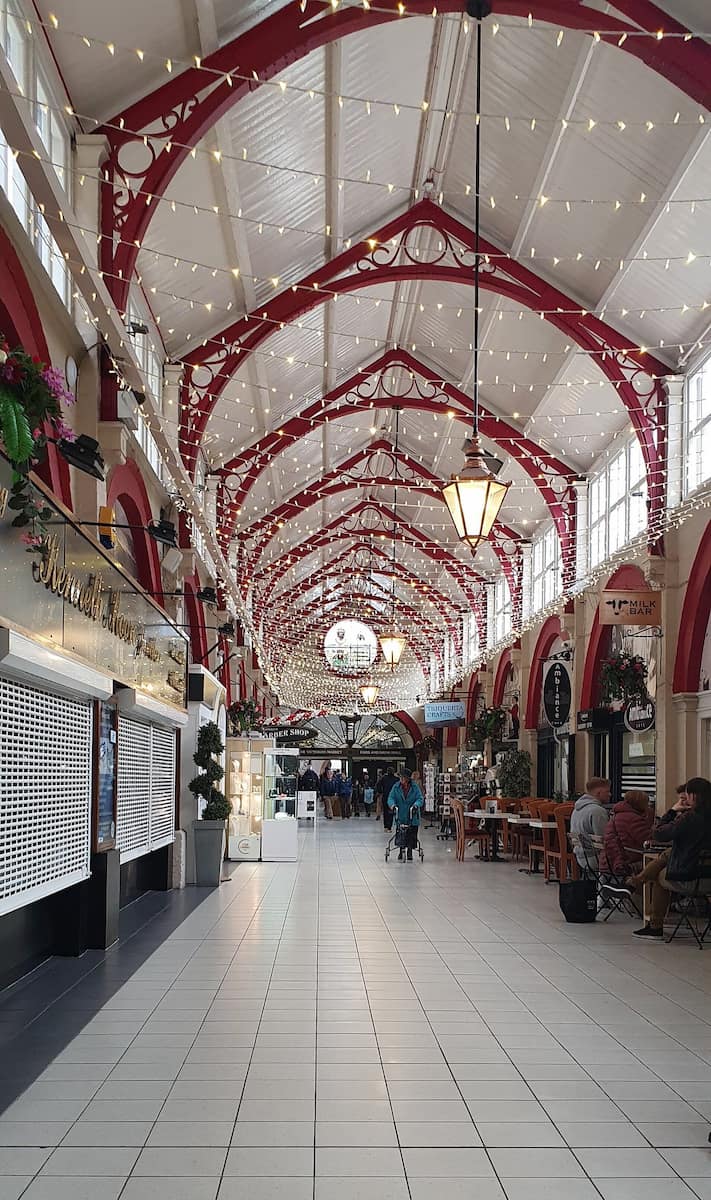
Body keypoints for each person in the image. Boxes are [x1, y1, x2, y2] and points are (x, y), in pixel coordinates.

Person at [609, 777, 711, 939]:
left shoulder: (689, 819)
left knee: (658, 876)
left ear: (692, 796)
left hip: (690, 877)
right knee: (668, 854)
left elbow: (658, 834)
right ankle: (636, 881)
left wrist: (672, 811)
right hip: (707, 875)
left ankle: (655, 926)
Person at [599, 790, 654, 877]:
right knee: (656, 865)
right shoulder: (634, 819)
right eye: (647, 803)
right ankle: (643, 889)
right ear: (641, 804)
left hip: (608, 861)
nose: (649, 806)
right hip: (624, 863)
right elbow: (647, 840)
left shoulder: (615, 816)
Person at [570, 777, 612, 870]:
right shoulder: (597, 811)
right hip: (595, 858)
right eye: (607, 791)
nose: (610, 794)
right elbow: (604, 839)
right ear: (599, 793)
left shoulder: (576, 809)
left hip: (581, 857)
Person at [388, 767, 424, 861]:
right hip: (401, 814)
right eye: (400, 777)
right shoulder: (396, 787)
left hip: (412, 813)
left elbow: (420, 798)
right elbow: (391, 798)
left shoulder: (414, 787)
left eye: (403, 777)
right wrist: (392, 805)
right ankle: (401, 850)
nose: (401, 779)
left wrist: (416, 805)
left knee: (412, 833)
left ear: (407, 778)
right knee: (401, 832)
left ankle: (410, 851)